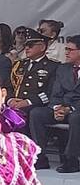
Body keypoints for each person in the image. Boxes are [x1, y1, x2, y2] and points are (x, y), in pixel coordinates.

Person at [28, 36, 80, 173]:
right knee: (37, 113)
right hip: (62, 108)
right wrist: (57, 108)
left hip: (76, 110)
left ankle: (72, 159)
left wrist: (70, 108)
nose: (66, 53)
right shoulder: (63, 69)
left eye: (70, 50)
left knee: (76, 117)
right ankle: (40, 157)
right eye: (66, 49)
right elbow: (55, 93)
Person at [6, 31, 57, 164]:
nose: (27, 48)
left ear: (42, 47)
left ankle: (36, 157)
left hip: (37, 104)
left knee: (29, 113)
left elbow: (50, 92)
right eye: (26, 45)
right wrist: (10, 99)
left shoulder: (53, 67)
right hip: (14, 103)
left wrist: (27, 101)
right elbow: (8, 85)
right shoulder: (19, 65)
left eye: (31, 45)